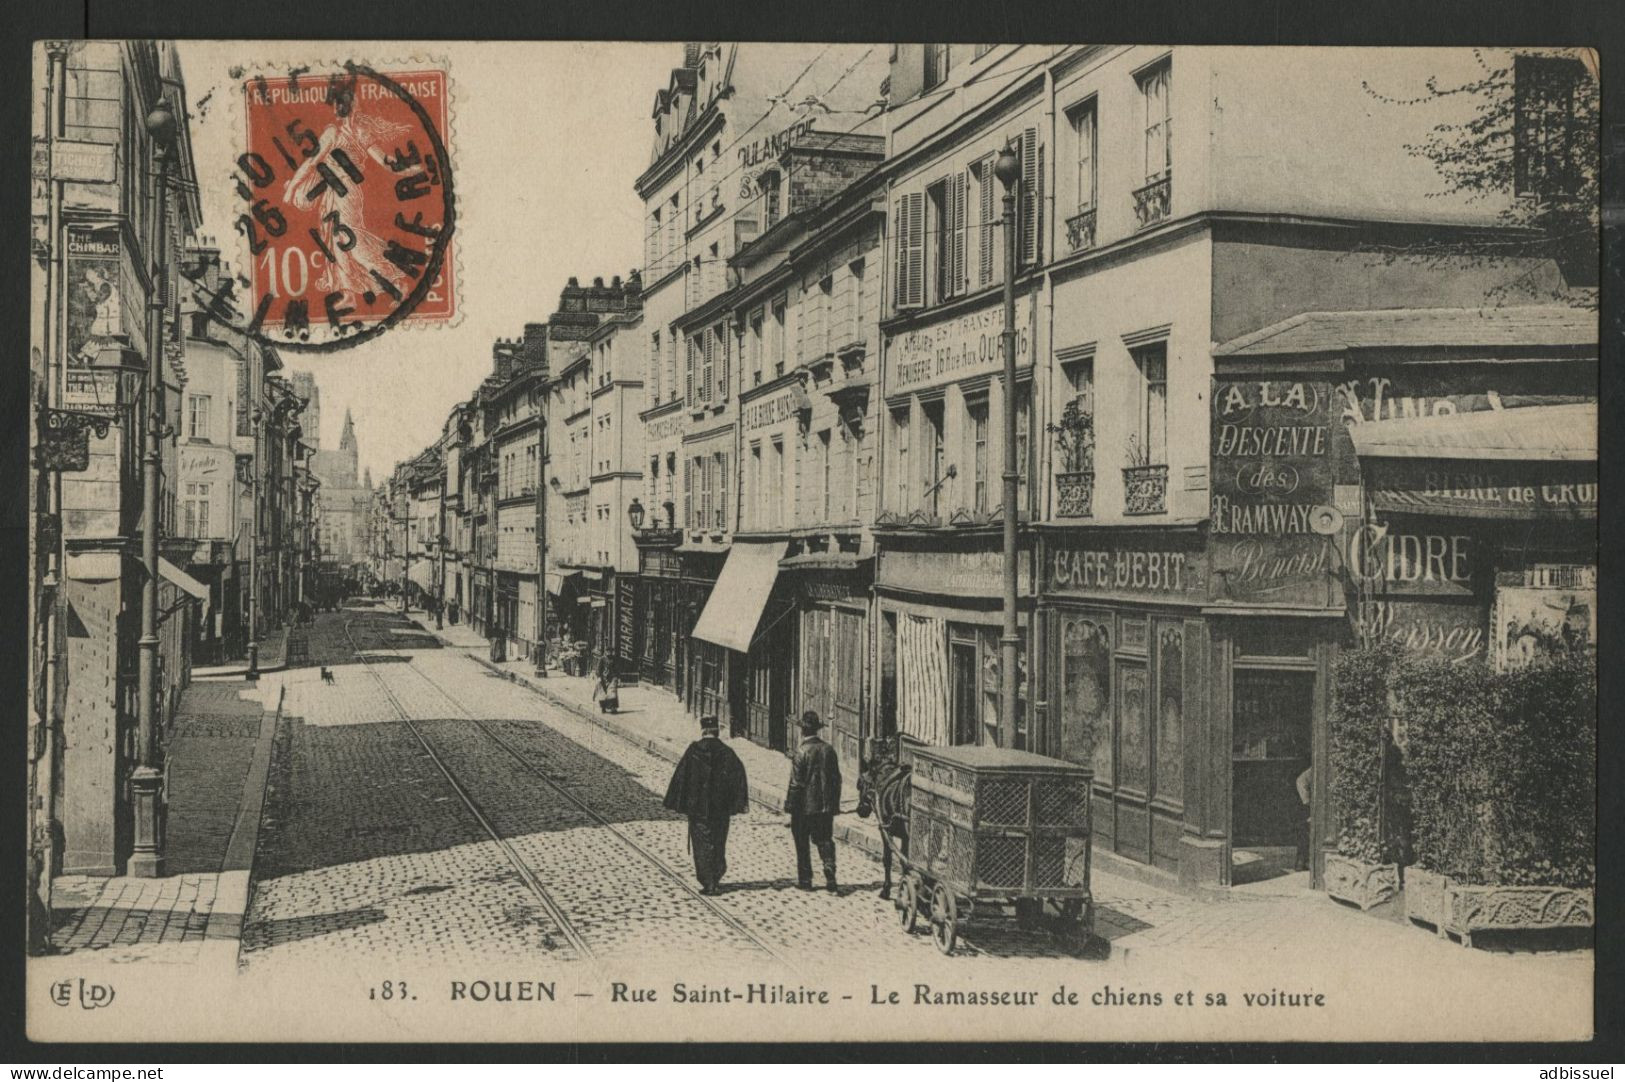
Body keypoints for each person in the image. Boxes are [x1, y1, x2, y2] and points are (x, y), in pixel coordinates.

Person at [663, 715, 749, 895]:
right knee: (718, 840)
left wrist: (681, 803)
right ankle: (716, 875)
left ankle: (708, 880)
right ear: (717, 731)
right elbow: (739, 777)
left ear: (702, 731)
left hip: (698, 809)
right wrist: (734, 803)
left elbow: (681, 778)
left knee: (701, 843)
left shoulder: (693, 751)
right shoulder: (727, 752)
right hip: (720, 809)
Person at [784, 710, 842, 892]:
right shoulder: (829, 750)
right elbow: (836, 780)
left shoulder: (801, 752)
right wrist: (834, 804)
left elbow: (796, 783)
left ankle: (806, 880)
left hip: (804, 808)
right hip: (825, 808)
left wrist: (790, 806)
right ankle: (829, 865)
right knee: (824, 839)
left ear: (803, 731)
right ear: (817, 730)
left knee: (802, 843)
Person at [1294, 763, 1313, 872]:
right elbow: (1301, 781)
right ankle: (1301, 863)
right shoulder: (1311, 772)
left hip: (1309, 805)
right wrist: (1307, 802)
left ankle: (1304, 862)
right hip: (1306, 807)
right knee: (1304, 834)